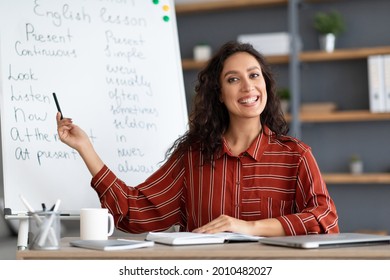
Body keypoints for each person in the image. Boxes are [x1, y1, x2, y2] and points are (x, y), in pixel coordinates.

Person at [56, 41, 339, 237]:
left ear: (265, 84)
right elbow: (134, 212)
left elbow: (325, 218)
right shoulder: (192, 157)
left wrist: (249, 227)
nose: (247, 86)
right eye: (233, 79)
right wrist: (85, 147)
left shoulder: (295, 156)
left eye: (254, 75)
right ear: (218, 93)